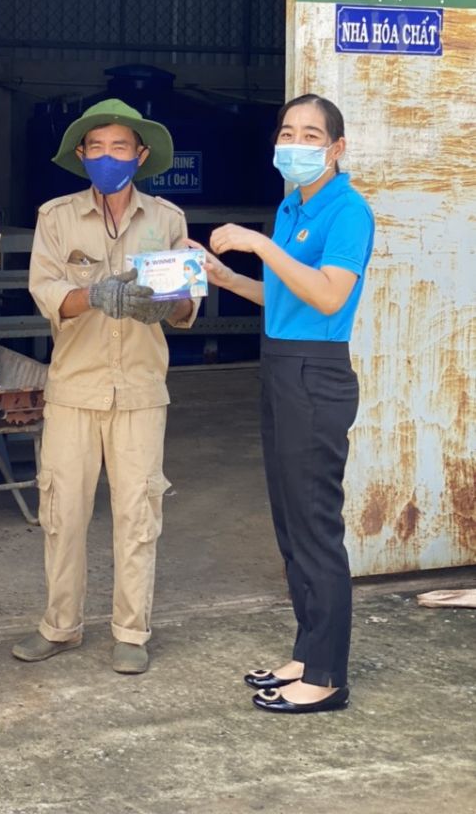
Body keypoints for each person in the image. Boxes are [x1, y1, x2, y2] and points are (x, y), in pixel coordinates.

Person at [12, 99, 199, 675]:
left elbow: (186, 304)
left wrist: (167, 305)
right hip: (74, 388)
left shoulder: (166, 219)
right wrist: (93, 295)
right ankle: (60, 626)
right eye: (97, 147)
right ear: (81, 155)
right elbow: (45, 291)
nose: (108, 157)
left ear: (140, 156)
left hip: (140, 390)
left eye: (120, 147)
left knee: (138, 515)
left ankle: (131, 631)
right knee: (62, 513)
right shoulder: (56, 217)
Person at [201, 93, 374, 714]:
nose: (295, 144)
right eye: (287, 132)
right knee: (290, 523)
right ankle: (307, 652)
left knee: (316, 525)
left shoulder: (348, 211)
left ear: (337, 147)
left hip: (315, 372)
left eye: (310, 135)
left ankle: (327, 678)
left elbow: (328, 297)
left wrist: (259, 245)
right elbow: (284, 296)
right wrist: (225, 278)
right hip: (280, 362)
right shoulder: (292, 204)